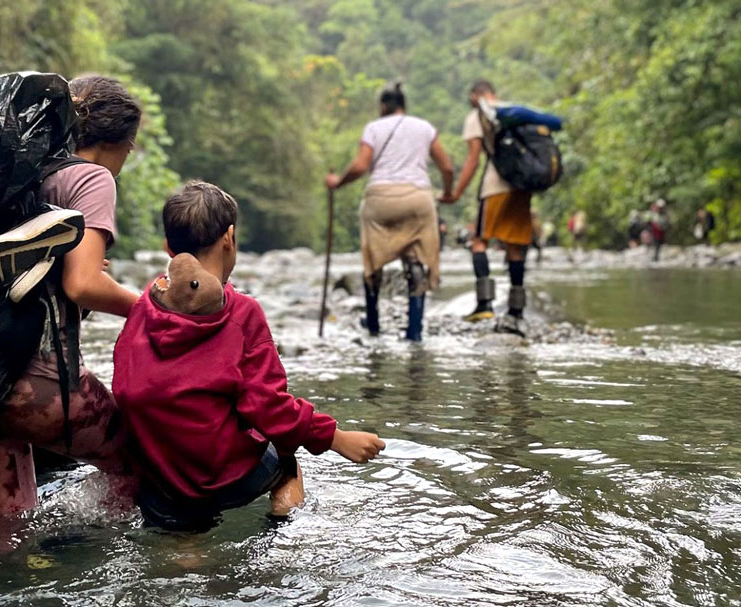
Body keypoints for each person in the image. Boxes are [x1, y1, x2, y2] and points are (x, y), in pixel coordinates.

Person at [112, 182, 385, 531]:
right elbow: (268, 406)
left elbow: (125, 381)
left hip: (160, 480)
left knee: (184, 548)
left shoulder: (146, 304)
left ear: (168, 247)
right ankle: (282, 533)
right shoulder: (242, 313)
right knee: (288, 461)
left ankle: (188, 547)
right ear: (230, 237)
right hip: (224, 476)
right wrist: (336, 438)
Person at [0, 75, 143, 519]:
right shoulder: (92, 178)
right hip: (31, 381)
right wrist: (151, 309)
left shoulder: (21, 171)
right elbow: (83, 285)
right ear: (120, 142)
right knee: (140, 464)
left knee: (6, 531)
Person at [324, 81, 455, 341]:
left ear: (383, 106)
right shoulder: (425, 128)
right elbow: (447, 168)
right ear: (404, 106)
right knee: (416, 260)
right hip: (417, 198)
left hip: (380, 199)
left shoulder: (373, 128)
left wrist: (338, 182)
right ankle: (414, 331)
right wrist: (449, 193)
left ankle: (373, 325)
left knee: (373, 261)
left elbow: (361, 166)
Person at [450, 80, 531, 336]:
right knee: (515, 245)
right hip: (521, 186)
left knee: (479, 240)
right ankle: (516, 311)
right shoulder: (514, 112)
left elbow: (473, 159)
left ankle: (485, 304)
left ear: (476, 95)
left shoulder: (479, 115)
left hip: (495, 186)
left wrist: (456, 192)